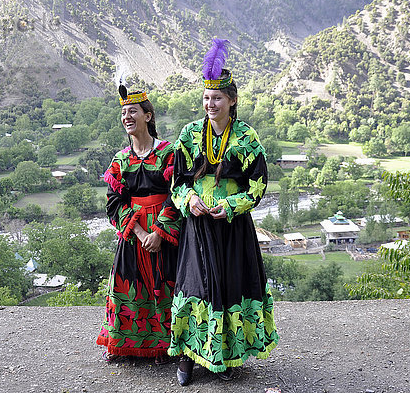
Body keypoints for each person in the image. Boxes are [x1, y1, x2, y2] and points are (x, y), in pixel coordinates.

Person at [168, 39, 279, 386]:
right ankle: (186, 358)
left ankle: (226, 355)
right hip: (198, 227)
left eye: (217, 98)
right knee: (194, 287)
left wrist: (230, 206)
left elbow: (258, 184)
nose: (210, 104)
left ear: (231, 100)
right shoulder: (188, 136)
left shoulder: (246, 137)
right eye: (206, 98)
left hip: (231, 228)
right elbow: (175, 182)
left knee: (230, 287)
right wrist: (189, 200)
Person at [96, 85, 181, 365]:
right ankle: (127, 345)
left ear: (148, 116)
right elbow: (114, 203)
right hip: (134, 234)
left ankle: (165, 347)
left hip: (164, 233)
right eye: (123, 113)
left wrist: (159, 231)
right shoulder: (120, 160)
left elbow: (178, 193)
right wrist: (141, 232)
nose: (127, 117)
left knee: (166, 285)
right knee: (128, 286)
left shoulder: (169, 153)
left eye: (133, 111)